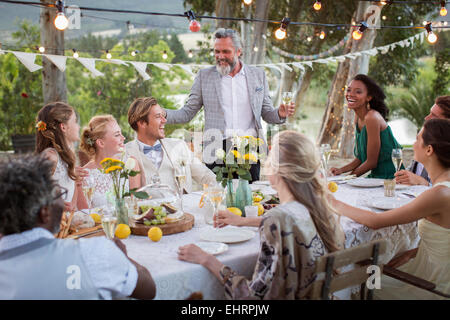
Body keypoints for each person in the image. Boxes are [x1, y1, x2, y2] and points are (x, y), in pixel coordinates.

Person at [178, 131, 345, 299]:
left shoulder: (276, 219)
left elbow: (252, 297)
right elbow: (289, 221)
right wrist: (242, 221)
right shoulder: (318, 207)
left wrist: (207, 259)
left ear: (280, 169)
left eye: (271, 156)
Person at [0, 155, 156, 300]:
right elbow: (148, 289)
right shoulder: (92, 253)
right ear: (44, 213)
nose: (62, 202)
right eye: (59, 194)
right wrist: (123, 257)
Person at [330, 119, 450, 299]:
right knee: (373, 269)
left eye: (417, 139)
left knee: (356, 283)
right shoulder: (441, 188)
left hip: (432, 284)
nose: (413, 144)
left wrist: (331, 201)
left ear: (429, 150)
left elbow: (375, 222)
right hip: (425, 266)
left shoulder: (438, 194)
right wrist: (410, 254)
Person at [164, 28, 296, 182]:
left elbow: (266, 113)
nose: (220, 56)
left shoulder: (258, 75)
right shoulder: (204, 76)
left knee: (250, 199)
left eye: (226, 51)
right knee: (217, 198)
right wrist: (162, 114)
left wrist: (280, 113)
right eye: (216, 51)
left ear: (239, 51)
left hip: (250, 149)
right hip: (216, 149)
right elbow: (187, 112)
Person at [125, 97, 217, 193]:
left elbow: (206, 176)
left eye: (163, 116)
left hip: (183, 206)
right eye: (158, 117)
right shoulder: (125, 154)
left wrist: (227, 191)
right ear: (142, 123)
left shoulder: (179, 146)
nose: (164, 120)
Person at [330, 74, 403, 179]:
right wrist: (341, 170)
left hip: (391, 178)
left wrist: (346, 179)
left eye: (358, 92)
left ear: (368, 97)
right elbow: (360, 158)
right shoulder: (358, 117)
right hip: (376, 177)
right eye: (349, 90)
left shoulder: (371, 117)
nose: (350, 94)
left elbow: (371, 162)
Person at [35, 102, 88, 212]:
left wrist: (75, 178)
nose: (78, 127)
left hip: (65, 223)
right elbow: (33, 194)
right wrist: (53, 204)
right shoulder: (50, 156)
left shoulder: (68, 154)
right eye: (75, 122)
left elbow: (71, 206)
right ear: (63, 127)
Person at [78, 115, 140, 209]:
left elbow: (136, 206)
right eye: (117, 135)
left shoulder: (130, 164)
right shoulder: (84, 174)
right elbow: (86, 215)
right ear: (101, 143)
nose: (123, 138)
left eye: (121, 133)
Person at [395, 95, 450, 186]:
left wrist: (424, 183)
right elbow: (413, 173)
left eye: (434, 116)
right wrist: (404, 177)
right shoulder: (426, 143)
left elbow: (446, 192)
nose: (426, 118)